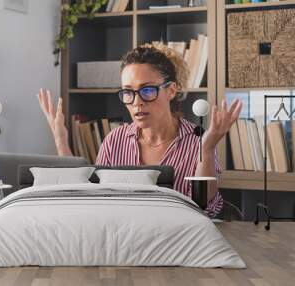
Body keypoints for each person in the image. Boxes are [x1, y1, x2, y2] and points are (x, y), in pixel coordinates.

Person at [37, 43, 242, 218]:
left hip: (178, 245)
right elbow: (91, 197)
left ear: (171, 91)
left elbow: (206, 207)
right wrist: (60, 140)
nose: (136, 102)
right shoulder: (115, 139)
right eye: (128, 92)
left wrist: (207, 149)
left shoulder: (199, 141)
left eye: (147, 90)